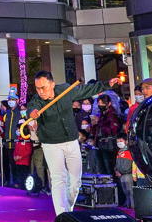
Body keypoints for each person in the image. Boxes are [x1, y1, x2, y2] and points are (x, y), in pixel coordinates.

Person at [26, 71, 122, 216]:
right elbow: (31, 107)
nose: (40, 91)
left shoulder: (65, 90)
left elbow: (86, 90)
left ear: (52, 84)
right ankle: (61, 215)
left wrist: (107, 84)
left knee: (75, 182)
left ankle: (68, 211)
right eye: (37, 88)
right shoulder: (37, 100)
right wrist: (31, 113)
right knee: (59, 179)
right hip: (51, 144)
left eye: (43, 87)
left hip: (71, 141)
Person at [93, 94, 119, 175]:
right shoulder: (99, 114)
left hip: (109, 145)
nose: (100, 105)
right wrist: (92, 125)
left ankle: (114, 186)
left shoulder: (113, 115)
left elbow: (112, 130)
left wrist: (99, 122)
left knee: (109, 169)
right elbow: (95, 132)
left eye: (103, 103)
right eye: (99, 103)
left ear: (109, 104)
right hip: (99, 144)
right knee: (102, 169)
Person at [2, 96, 23, 187]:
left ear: (17, 101)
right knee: (10, 164)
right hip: (8, 144)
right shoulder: (7, 113)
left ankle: (18, 183)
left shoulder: (21, 113)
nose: (11, 101)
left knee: (19, 165)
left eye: (13, 99)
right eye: (9, 100)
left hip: (18, 144)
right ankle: (10, 182)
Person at [12, 120, 33, 190]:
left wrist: (21, 157)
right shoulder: (18, 138)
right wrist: (14, 156)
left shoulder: (27, 138)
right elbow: (15, 149)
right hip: (18, 161)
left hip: (24, 161)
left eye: (18, 129)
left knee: (24, 176)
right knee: (18, 175)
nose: (17, 130)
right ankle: (18, 187)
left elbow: (29, 150)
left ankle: (24, 189)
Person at [115, 134, 134, 209]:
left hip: (127, 174)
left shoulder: (128, 152)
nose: (119, 143)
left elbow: (127, 165)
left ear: (126, 141)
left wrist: (121, 171)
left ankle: (132, 206)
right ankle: (127, 204)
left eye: (121, 141)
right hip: (121, 175)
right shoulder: (119, 152)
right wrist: (116, 170)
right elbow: (117, 164)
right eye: (118, 141)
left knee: (130, 191)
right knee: (125, 191)